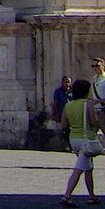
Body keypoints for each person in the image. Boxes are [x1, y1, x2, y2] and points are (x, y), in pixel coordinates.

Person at [61, 76, 104, 205]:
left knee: (88, 167)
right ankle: (67, 195)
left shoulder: (68, 105)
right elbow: (94, 122)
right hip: (86, 140)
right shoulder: (87, 105)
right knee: (79, 169)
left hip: (74, 139)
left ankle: (92, 195)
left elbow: (63, 125)